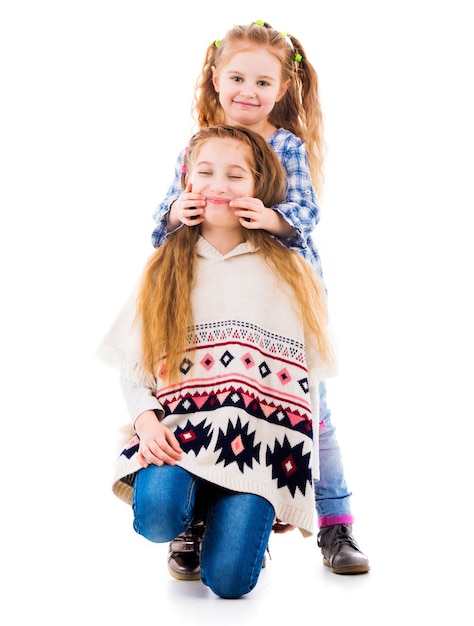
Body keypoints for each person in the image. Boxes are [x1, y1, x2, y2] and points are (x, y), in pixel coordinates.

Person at [151, 21, 370, 577]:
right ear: (216, 79)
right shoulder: (200, 147)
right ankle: (199, 522)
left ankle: (334, 524)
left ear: (283, 90)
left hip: (279, 299)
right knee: (207, 403)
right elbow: (162, 221)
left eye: (263, 83)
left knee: (311, 412)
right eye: (238, 78)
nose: (249, 92)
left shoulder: (287, 146)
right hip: (214, 300)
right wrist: (180, 212)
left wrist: (270, 218)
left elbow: (307, 214)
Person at [100, 124, 336, 598]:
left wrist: (288, 479)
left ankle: (234, 509)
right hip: (178, 435)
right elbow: (134, 365)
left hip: (254, 451)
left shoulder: (290, 271)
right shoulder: (166, 264)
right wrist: (146, 423)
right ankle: (195, 509)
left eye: (236, 175)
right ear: (187, 183)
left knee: (230, 583)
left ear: (259, 190)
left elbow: (302, 385)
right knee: (160, 515)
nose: (219, 185)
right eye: (205, 172)